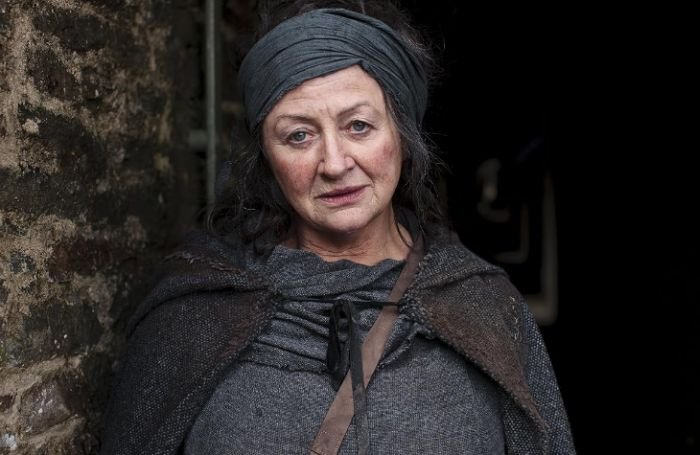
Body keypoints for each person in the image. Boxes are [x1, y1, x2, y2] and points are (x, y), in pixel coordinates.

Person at [100, 1, 576, 454]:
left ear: (402, 133)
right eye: (298, 135)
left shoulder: (484, 310)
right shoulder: (193, 318)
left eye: (359, 126)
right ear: (265, 158)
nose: (333, 163)